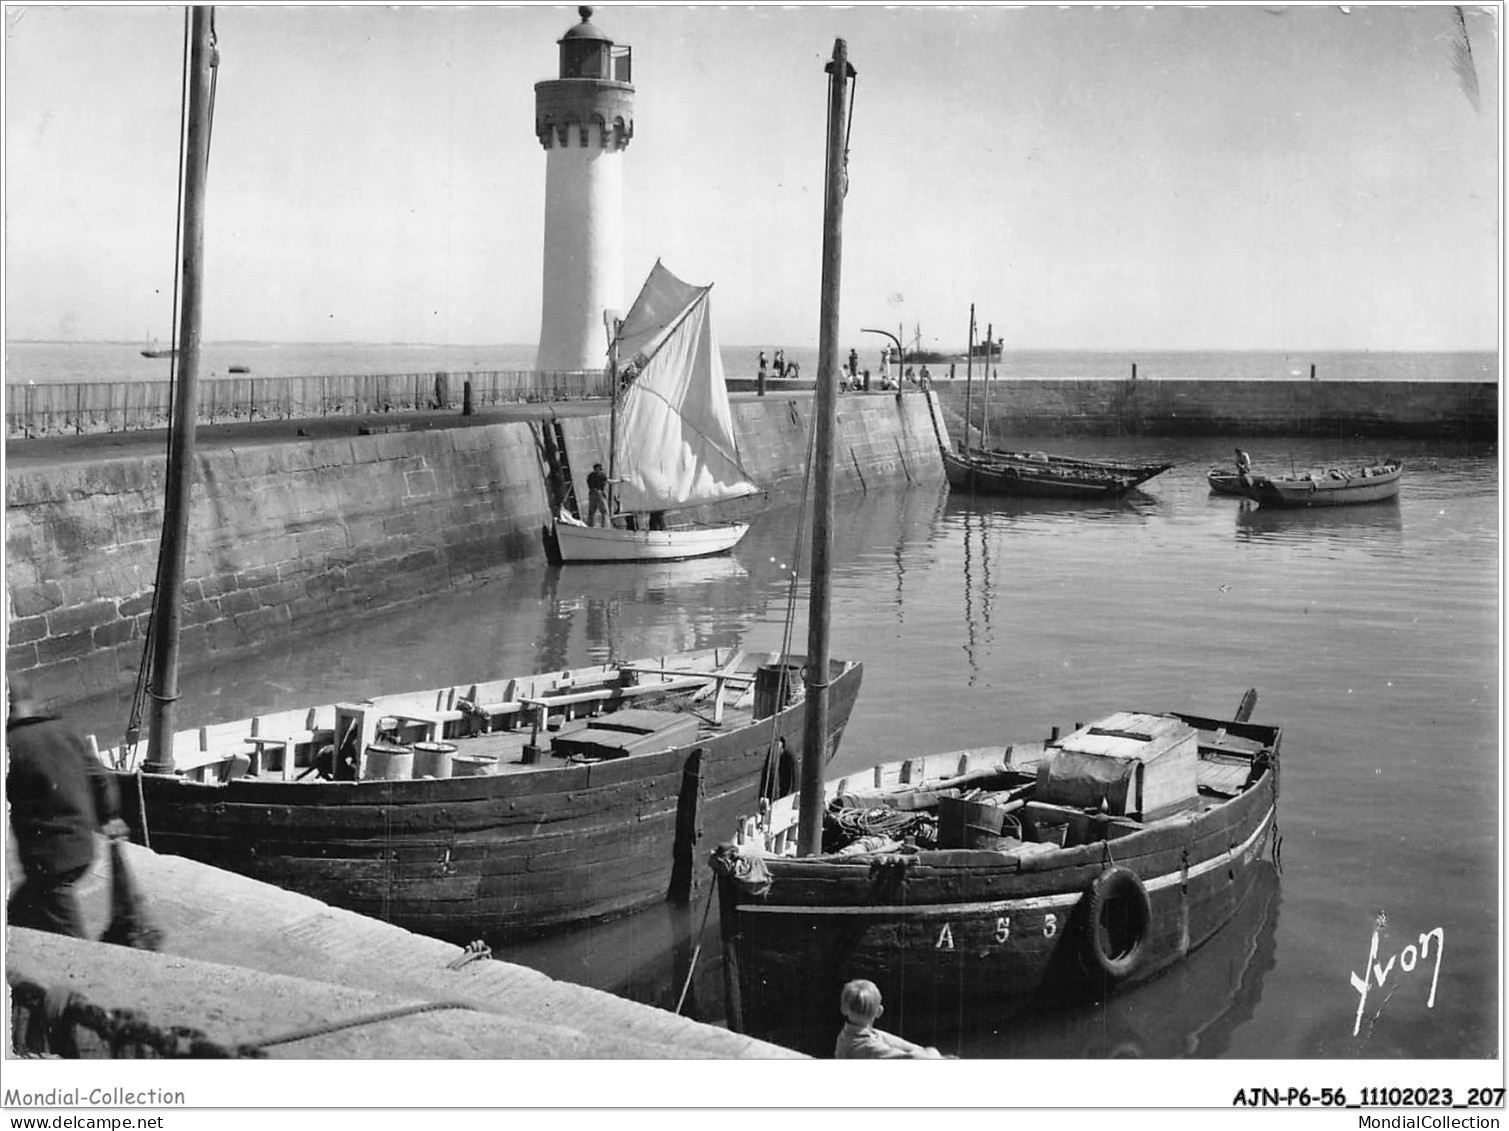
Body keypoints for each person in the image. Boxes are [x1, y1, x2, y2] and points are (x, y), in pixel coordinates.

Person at [6, 676, 128, 938]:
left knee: (72, 937)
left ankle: (88, 973)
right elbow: (100, 777)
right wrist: (110, 816)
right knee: (21, 909)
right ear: (30, 703)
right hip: (81, 847)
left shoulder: (11, 745)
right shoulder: (64, 729)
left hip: (49, 860)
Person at [834, 979, 942, 1059]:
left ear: (843, 1009)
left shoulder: (846, 1036)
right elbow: (908, 1058)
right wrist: (932, 1052)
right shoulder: (868, 1046)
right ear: (879, 1012)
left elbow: (903, 1045)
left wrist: (922, 1051)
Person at [586, 463, 614, 527]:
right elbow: (610, 482)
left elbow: (589, 484)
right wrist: (620, 481)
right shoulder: (601, 475)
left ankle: (590, 525)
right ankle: (605, 526)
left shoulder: (590, 475)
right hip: (599, 493)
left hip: (591, 493)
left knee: (591, 511)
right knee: (604, 511)